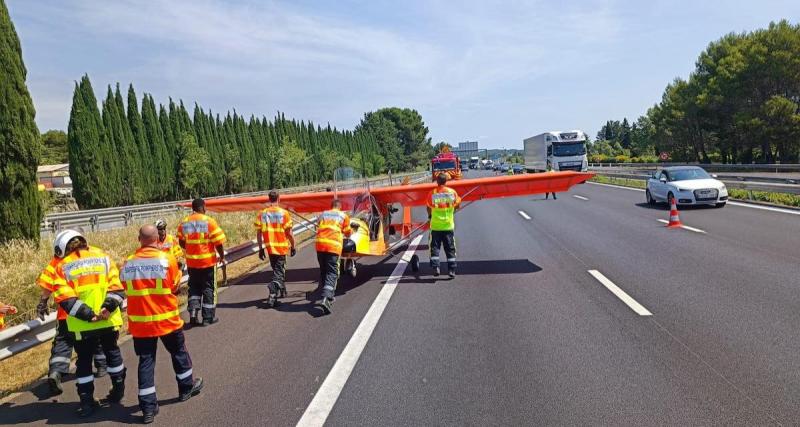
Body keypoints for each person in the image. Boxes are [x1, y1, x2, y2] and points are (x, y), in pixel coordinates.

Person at [121, 225, 204, 424]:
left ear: (139, 238)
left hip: (141, 324)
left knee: (146, 362)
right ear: (158, 238)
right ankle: (186, 388)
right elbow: (175, 286)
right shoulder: (167, 260)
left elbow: (124, 287)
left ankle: (148, 408)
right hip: (166, 319)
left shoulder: (128, 263)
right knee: (178, 352)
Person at [49, 229, 126, 417]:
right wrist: (107, 308)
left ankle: (86, 403)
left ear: (63, 247)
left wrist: (88, 315)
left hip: (83, 325)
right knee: (112, 353)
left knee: (83, 362)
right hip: (108, 319)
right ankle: (118, 390)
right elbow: (117, 287)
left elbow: (65, 299)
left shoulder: (63, 266)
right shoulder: (103, 257)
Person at [36, 230, 109, 396]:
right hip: (91, 311)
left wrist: (42, 303)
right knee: (94, 339)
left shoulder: (56, 263)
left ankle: (56, 372)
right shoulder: (94, 255)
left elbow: (46, 286)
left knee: (62, 343)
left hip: (66, 313)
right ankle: (101, 365)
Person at [177, 198, 226, 326]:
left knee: (194, 287)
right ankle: (207, 317)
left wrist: (190, 249)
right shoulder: (209, 221)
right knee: (209, 288)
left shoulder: (185, 223)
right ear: (203, 207)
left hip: (192, 263)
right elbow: (219, 242)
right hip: (208, 262)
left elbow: (181, 241)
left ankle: (193, 313)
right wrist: (221, 256)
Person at [255, 191, 296, 308]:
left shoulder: (262, 214)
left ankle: (282, 290)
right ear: (279, 198)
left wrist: (260, 248)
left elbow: (259, 233)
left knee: (277, 271)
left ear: (269, 199)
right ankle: (272, 294)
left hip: (270, 248)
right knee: (279, 272)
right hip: (281, 247)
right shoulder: (284, 213)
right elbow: (289, 233)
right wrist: (293, 246)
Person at [314, 199, 353, 314]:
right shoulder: (343, 216)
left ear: (331, 206)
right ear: (340, 207)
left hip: (320, 245)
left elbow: (318, 225)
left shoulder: (323, 214)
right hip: (333, 246)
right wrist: (350, 232)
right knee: (333, 273)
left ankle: (325, 292)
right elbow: (348, 232)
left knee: (324, 271)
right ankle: (327, 298)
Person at [426, 173, 462, 278]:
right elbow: (458, 203)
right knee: (450, 248)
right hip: (448, 226)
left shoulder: (432, 193)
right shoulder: (452, 192)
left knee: (434, 248)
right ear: (446, 181)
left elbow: (428, 207)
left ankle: (436, 268)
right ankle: (451, 270)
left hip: (436, 226)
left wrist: (430, 216)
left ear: (437, 181)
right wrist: (453, 209)